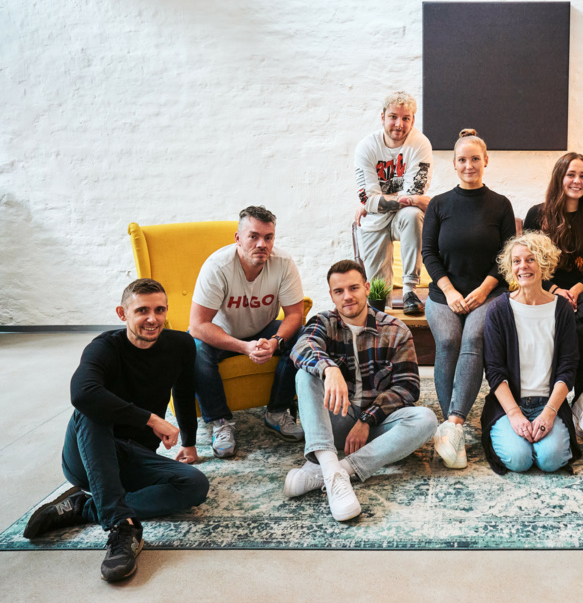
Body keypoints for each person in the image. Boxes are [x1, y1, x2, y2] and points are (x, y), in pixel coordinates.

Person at [23, 279, 209, 582]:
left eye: (159, 310)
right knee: (92, 408)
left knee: (195, 485)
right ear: (123, 313)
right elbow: (81, 394)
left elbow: (185, 392)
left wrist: (188, 441)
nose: (153, 318)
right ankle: (122, 527)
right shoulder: (104, 347)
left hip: (133, 454)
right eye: (142, 310)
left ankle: (86, 507)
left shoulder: (180, 345)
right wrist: (150, 419)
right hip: (88, 453)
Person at [283, 260, 436, 521]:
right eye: (339, 291)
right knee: (305, 375)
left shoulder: (395, 330)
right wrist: (329, 369)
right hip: (334, 422)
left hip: (376, 428)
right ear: (331, 295)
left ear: (366, 288)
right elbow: (301, 349)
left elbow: (408, 388)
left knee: (426, 419)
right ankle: (333, 473)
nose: (347, 296)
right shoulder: (323, 322)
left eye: (354, 288)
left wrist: (367, 419)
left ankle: (336, 470)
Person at [422, 129, 516, 469]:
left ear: (486, 161)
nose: (469, 165)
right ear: (454, 164)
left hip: (488, 293)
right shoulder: (439, 204)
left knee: (474, 337)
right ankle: (454, 427)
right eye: (462, 159)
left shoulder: (501, 205)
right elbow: (428, 253)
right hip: (443, 292)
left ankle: (454, 425)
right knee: (448, 339)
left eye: (475, 158)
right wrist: (449, 290)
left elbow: (508, 256)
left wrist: (484, 289)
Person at [190, 205, 305, 458]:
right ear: (238, 238)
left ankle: (276, 412)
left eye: (268, 237)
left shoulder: (283, 263)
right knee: (195, 347)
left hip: (264, 329)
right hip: (223, 333)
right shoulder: (217, 266)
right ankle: (220, 422)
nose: (262, 244)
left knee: (302, 334)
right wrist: (243, 347)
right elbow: (198, 325)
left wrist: (275, 342)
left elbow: (295, 315)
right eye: (253, 236)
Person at [523, 152, 583, 440]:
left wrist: (576, 289)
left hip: (579, 289)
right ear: (560, 177)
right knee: (560, 317)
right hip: (545, 286)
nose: (577, 180)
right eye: (571, 174)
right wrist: (554, 289)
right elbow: (530, 258)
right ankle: (552, 401)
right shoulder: (537, 214)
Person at [481, 232, 581, 474]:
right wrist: (515, 416)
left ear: (544, 263)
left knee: (551, 460)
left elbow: (568, 368)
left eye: (530, 259)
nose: (522, 266)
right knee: (519, 460)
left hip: (548, 403)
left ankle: (545, 438)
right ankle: (517, 437)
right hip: (510, 404)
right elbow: (494, 371)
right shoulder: (498, 310)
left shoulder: (562, 309)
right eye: (516, 261)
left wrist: (549, 413)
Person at [353, 91, 434, 315]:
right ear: (382, 117)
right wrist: (371, 202)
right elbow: (368, 199)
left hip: (401, 216)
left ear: (413, 120)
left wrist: (376, 201)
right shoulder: (366, 147)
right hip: (374, 222)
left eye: (405, 118)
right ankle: (379, 321)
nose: (399, 124)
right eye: (393, 117)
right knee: (378, 296)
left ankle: (409, 290)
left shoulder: (420, 144)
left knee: (412, 215)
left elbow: (413, 194)